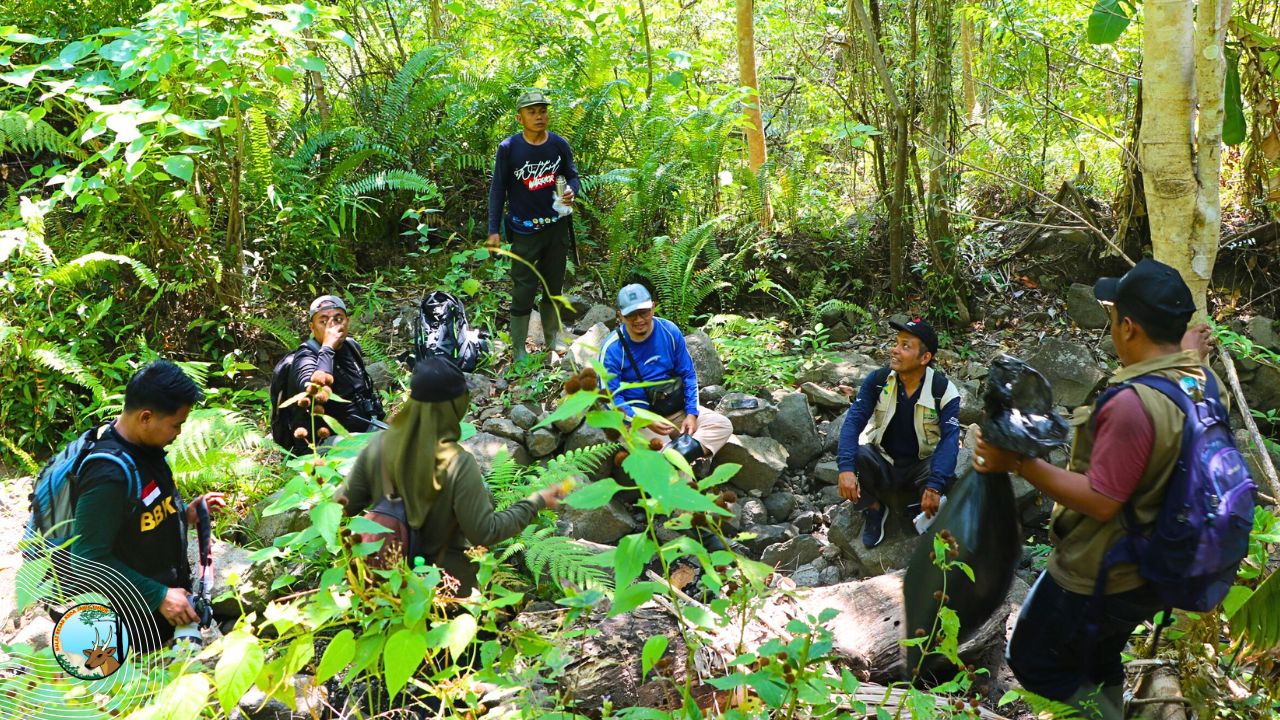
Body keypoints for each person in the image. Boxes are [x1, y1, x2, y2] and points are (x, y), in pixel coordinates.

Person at [973, 258, 1212, 720]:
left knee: (1034, 658)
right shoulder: (1197, 379)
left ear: (1127, 326)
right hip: (1153, 565)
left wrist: (1019, 462)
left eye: (1112, 317)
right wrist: (1186, 351)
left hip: (1100, 572)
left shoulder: (1130, 406)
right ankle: (1111, 708)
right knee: (1098, 655)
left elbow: (1102, 501)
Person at [337, 356, 564, 595]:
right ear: (454, 407)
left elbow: (340, 506)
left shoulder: (378, 445)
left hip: (384, 588)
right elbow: (485, 532)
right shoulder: (457, 462)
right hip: (443, 593)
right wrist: (535, 502)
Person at [69, 361, 227, 651]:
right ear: (145, 417)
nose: (179, 432)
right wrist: (159, 596)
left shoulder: (146, 449)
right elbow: (86, 561)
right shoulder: (108, 475)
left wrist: (185, 514)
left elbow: (140, 516)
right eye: (176, 424)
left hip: (164, 608)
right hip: (130, 626)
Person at [836, 316, 962, 549]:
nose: (895, 350)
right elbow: (854, 422)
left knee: (946, 473)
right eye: (896, 343)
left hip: (921, 464)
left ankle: (925, 510)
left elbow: (950, 440)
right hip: (884, 460)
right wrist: (845, 468)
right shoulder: (878, 380)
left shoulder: (943, 390)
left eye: (906, 346)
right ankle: (874, 509)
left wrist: (934, 485)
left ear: (925, 358)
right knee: (857, 455)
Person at [486, 89, 581, 362]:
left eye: (542, 110)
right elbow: (498, 190)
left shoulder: (559, 145)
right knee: (524, 289)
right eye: (532, 111)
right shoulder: (509, 149)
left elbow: (573, 176)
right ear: (520, 117)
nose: (539, 116)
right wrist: (494, 230)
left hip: (556, 228)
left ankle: (551, 339)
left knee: (554, 286)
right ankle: (518, 349)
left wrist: (572, 191)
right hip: (525, 231)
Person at [598, 284, 734, 464]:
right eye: (631, 315)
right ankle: (676, 460)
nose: (639, 319)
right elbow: (610, 397)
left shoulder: (669, 331)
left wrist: (692, 413)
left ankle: (675, 456)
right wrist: (644, 420)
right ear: (620, 315)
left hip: (674, 409)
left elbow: (688, 374)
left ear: (653, 307)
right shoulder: (613, 348)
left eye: (644, 312)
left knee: (722, 425)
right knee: (672, 470)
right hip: (637, 420)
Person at [289, 294, 385, 450]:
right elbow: (314, 394)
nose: (331, 326)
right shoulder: (305, 356)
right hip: (322, 444)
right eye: (323, 321)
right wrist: (327, 347)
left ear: (347, 321)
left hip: (365, 430)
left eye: (338, 319)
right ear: (312, 328)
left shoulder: (351, 346)